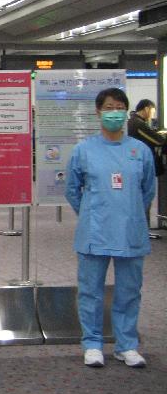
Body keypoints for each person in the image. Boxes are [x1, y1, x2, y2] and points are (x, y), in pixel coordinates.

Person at [65, 87, 155, 369]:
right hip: (95, 231)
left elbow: (147, 190)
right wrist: (91, 213)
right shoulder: (84, 150)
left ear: (126, 112)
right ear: (98, 112)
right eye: (108, 108)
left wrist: (131, 212)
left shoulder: (140, 151)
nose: (114, 113)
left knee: (129, 290)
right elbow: (72, 189)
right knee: (90, 290)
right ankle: (92, 343)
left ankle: (126, 345)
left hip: (130, 230)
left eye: (119, 107)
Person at [128, 99, 165, 177]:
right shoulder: (138, 123)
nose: (153, 116)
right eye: (153, 112)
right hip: (143, 164)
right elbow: (159, 141)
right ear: (147, 109)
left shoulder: (133, 121)